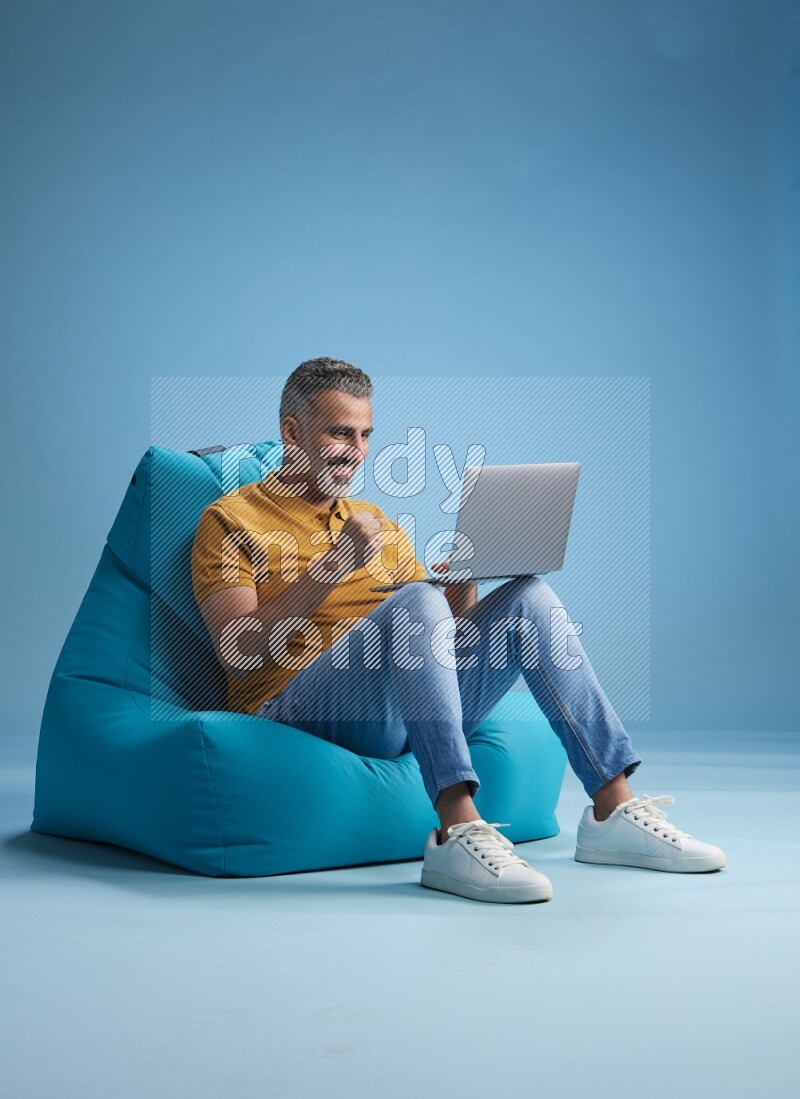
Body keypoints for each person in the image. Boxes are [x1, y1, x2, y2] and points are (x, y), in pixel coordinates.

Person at [191, 357, 726, 904]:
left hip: (396, 708)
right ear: (291, 432)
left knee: (527, 596)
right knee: (418, 599)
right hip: (296, 710)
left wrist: (464, 588)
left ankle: (613, 806)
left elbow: (434, 648)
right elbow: (239, 653)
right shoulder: (231, 519)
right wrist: (334, 565)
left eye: (366, 434)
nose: (356, 450)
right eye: (339, 433)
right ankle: (456, 829)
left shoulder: (377, 523)